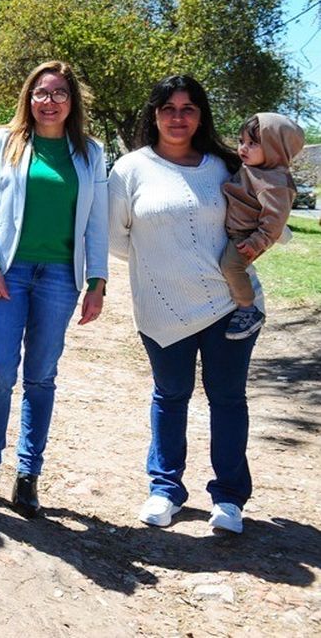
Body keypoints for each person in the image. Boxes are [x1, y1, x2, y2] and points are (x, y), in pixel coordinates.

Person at [110, 75, 265, 535]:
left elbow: (258, 221)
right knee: (170, 396)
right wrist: (167, 264)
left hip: (230, 306)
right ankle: (165, 489)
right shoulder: (129, 169)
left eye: (188, 108)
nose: (178, 118)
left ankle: (230, 498)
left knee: (228, 400)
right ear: (154, 114)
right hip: (161, 307)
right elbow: (118, 239)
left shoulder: (224, 166)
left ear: (201, 115)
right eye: (168, 108)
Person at [0, 61, 108, 517]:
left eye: (60, 93)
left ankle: (28, 475)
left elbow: (97, 222)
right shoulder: (1, 141)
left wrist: (97, 281)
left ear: (73, 102)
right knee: (0, 370)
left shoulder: (90, 153)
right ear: (29, 98)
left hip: (61, 278)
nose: (50, 102)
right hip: (7, 273)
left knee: (42, 376)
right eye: (42, 93)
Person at [220, 112, 304, 339]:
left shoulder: (275, 182)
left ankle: (248, 309)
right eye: (241, 142)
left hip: (246, 236)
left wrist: (256, 243)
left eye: (253, 143)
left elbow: (275, 220)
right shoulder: (254, 168)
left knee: (230, 266)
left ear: (276, 148)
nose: (243, 148)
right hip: (237, 229)